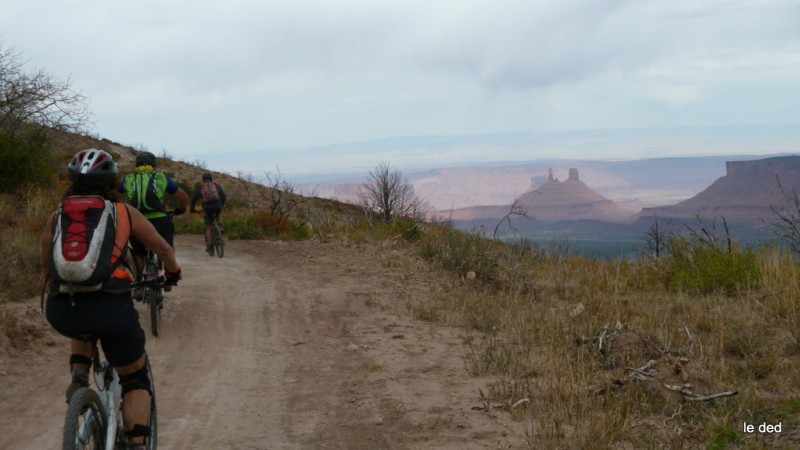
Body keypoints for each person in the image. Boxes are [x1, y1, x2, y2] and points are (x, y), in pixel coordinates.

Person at [42, 148, 182, 449]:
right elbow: (164, 250)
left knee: (79, 306)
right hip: (111, 309)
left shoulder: (58, 215)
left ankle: (79, 375)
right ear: (112, 182)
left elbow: (48, 268)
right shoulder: (123, 212)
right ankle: (136, 442)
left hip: (60, 310)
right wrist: (172, 274)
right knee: (134, 378)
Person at [119, 151, 188, 281]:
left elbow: (112, 193)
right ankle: (170, 274)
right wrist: (181, 209)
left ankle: (138, 279)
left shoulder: (127, 178)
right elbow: (183, 196)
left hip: (135, 220)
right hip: (159, 220)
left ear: (137, 165)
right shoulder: (161, 177)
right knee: (168, 247)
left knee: (138, 252)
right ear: (154, 164)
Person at [189, 172, 227, 255]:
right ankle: (220, 226)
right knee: (219, 211)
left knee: (208, 227)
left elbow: (193, 200)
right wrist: (222, 205)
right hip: (217, 206)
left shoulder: (200, 187)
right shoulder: (216, 185)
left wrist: (192, 209)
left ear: (203, 180)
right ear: (211, 179)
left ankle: (210, 247)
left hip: (207, 209)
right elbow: (223, 196)